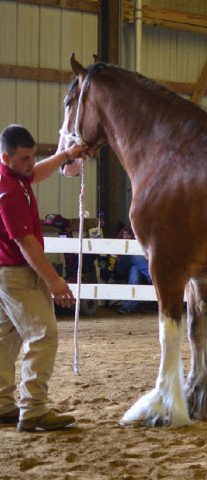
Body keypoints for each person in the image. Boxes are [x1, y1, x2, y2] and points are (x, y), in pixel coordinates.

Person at [0, 124, 88, 431]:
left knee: (6, 340)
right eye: (25, 158)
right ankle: (34, 409)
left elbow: (37, 172)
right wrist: (54, 280)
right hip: (17, 275)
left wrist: (65, 154)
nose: (30, 164)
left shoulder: (14, 177)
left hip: (6, 275)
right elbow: (26, 244)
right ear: (6, 157)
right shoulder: (10, 192)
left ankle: (2, 404)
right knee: (44, 334)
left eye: (32, 156)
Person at [113, 226, 152, 315]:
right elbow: (115, 250)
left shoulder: (148, 232)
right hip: (123, 266)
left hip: (140, 268)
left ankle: (128, 307)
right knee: (133, 254)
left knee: (134, 270)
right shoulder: (126, 230)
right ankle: (153, 277)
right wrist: (125, 242)